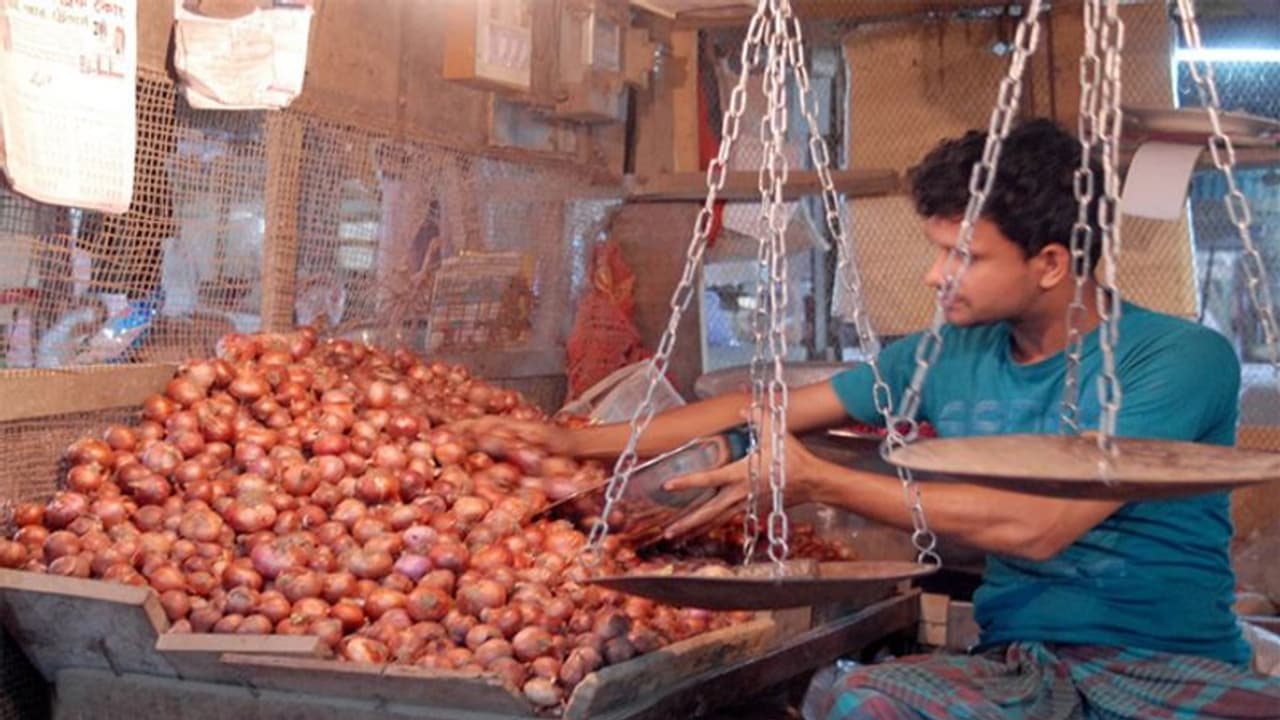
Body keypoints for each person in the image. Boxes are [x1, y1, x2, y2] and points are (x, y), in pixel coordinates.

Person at [455, 118, 1280, 718]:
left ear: (1051, 264)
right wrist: (573, 441)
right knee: (860, 703)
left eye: (963, 255)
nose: (933, 274)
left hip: (1168, 671)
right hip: (1022, 673)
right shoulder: (944, 355)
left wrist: (821, 481)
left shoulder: (1177, 359)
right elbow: (760, 410)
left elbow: (1039, 527)